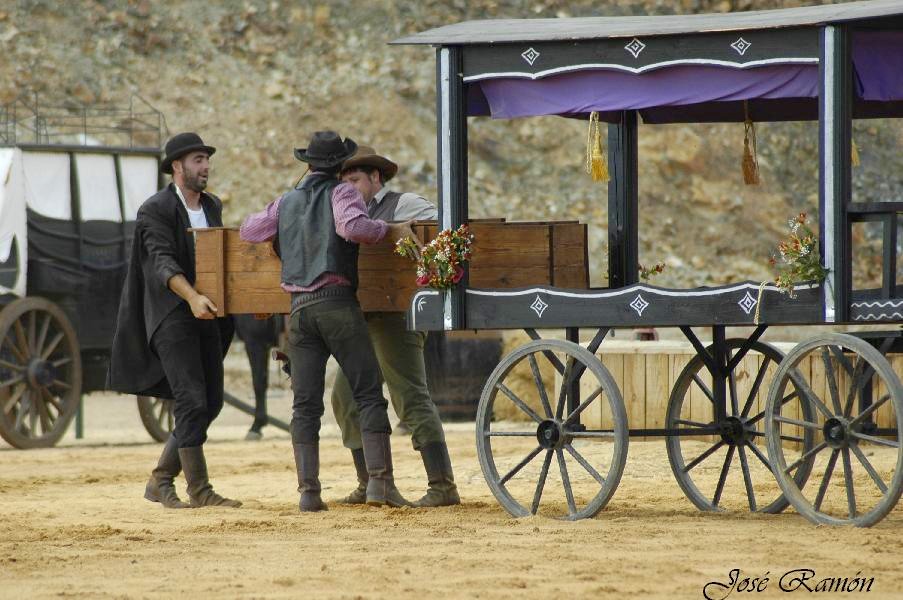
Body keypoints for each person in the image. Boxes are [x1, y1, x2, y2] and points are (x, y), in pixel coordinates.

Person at [239, 131, 418, 512]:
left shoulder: (286, 201)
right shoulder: (342, 193)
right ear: (340, 165)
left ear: (307, 164)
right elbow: (353, 229)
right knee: (368, 393)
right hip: (337, 305)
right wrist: (388, 229)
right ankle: (379, 486)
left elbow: (249, 230)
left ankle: (309, 494)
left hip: (300, 312)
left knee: (305, 407)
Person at [108, 132, 240, 509]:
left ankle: (161, 477)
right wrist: (192, 296)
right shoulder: (156, 209)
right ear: (177, 166)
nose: (205, 167)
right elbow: (161, 261)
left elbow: (221, 259)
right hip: (172, 315)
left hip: (208, 315)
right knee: (191, 399)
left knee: (211, 402)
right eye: (198, 160)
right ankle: (199, 489)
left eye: (206, 159)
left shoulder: (212, 206)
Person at [331, 146, 460, 508]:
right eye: (344, 181)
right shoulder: (344, 212)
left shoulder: (405, 205)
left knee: (410, 397)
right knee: (344, 398)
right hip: (363, 318)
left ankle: (442, 485)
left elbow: (443, 227)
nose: (349, 188)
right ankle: (370, 482)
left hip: (398, 317)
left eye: (355, 179)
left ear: (376, 178)